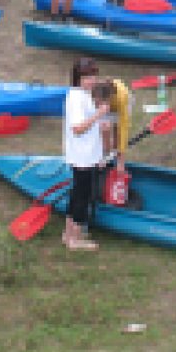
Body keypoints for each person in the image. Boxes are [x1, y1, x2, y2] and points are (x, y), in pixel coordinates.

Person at [63, 57, 108, 251]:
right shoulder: (76, 99)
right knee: (82, 196)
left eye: (93, 76)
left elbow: (85, 125)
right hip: (82, 156)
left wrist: (99, 124)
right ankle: (75, 239)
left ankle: (68, 234)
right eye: (87, 77)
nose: (92, 81)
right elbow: (77, 129)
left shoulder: (83, 94)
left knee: (77, 194)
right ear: (78, 78)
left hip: (86, 154)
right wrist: (99, 114)